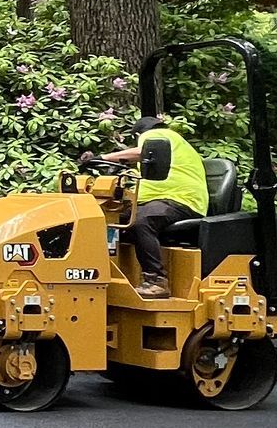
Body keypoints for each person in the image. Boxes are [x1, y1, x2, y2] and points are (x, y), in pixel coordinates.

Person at [87, 113, 210, 300]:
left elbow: (140, 152)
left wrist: (103, 157)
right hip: (157, 201)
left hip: (181, 200)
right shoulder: (166, 151)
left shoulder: (162, 137)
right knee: (106, 219)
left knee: (140, 222)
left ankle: (156, 281)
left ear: (138, 136)